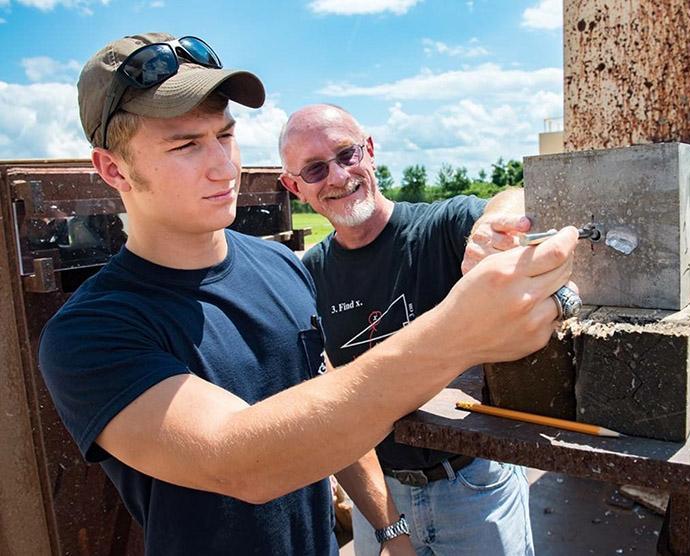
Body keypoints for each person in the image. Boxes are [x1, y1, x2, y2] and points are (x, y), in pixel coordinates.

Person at [38, 33, 578, 555]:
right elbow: (242, 460)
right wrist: (458, 334)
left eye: (225, 136)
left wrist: (391, 529)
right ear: (114, 168)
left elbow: (331, 403)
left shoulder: (279, 267)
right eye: (185, 145)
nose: (224, 166)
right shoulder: (92, 333)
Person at [279, 104, 538, 555]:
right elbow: (331, 408)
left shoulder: (438, 228)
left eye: (346, 154)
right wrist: (387, 527)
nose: (338, 177)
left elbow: (511, 199)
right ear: (295, 187)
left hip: (472, 486)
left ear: (371, 151)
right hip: (378, 496)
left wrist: (491, 230)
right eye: (316, 170)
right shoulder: (309, 276)